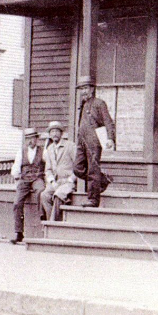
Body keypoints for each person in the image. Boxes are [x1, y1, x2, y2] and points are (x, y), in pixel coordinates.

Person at [73, 77, 115, 208]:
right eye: (81, 89)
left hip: (94, 142)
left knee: (92, 170)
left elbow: (108, 121)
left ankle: (93, 200)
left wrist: (110, 138)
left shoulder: (99, 103)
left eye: (86, 88)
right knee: (77, 168)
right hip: (82, 141)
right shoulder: (83, 105)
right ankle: (102, 179)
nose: (83, 91)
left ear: (92, 89)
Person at [10, 127, 45, 244]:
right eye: (28, 139)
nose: (31, 141)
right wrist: (17, 178)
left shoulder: (43, 151)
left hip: (37, 178)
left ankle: (42, 216)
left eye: (33, 138)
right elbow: (16, 167)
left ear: (37, 139)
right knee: (16, 203)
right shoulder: (21, 151)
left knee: (41, 191)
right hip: (24, 179)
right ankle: (19, 232)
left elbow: (49, 164)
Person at [40, 120, 76, 221]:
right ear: (50, 134)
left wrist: (71, 179)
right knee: (44, 195)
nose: (54, 134)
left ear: (61, 133)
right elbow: (48, 170)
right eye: (52, 132)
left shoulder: (70, 146)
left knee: (58, 195)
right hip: (55, 182)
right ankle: (51, 221)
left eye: (57, 131)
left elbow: (78, 166)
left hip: (68, 182)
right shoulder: (50, 149)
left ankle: (53, 224)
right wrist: (52, 181)